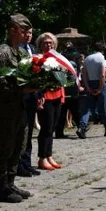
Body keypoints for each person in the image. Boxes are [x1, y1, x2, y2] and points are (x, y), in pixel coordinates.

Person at [0, 14, 33, 203]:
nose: (26, 34)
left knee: (18, 146)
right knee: (4, 148)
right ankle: (1, 188)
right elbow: (0, 82)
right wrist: (23, 88)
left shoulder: (22, 53)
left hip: (19, 108)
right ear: (12, 30)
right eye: (22, 30)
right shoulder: (3, 52)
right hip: (4, 110)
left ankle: (11, 182)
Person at [34, 32, 65, 171]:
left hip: (57, 95)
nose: (48, 45)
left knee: (52, 128)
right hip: (46, 97)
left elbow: (62, 79)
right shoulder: (37, 59)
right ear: (40, 44)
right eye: (45, 42)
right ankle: (42, 157)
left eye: (50, 43)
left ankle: (49, 155)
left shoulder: (58, 59)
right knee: (46, 128)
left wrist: (63, 95)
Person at [16, 26, 42, 177]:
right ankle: (19, 163)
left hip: (32, 95)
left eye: (31, 33)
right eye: (25, 33)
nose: (28, 35)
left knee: (30, 130)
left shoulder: (32, 49)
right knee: (22, 131)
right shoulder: (17, 50)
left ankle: (27, 162)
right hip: (22, 95)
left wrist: (39, 94)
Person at [79, 41, 106, 139]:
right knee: (103, 108)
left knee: (87, 108)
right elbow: (102, 74)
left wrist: (87, 87)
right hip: (100, 82)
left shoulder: (88, 58)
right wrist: (100, 88)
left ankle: (82, 127)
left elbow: (84, 73)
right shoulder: (102, 59)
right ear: (102, 50)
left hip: (90, 82)